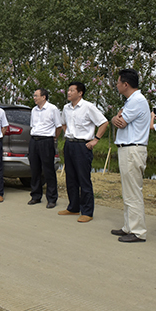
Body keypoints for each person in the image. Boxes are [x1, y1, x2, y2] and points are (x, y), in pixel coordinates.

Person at [59, 82, 108, 222]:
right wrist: (68, 133)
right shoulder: (66, 108)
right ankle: (73, 207)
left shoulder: (88, 107)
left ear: (80, 93)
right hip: (69, 144)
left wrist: (96, 139)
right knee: (70, 177)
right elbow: (63, 123)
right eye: (68, 90)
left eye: (72, 90)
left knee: (83, 178)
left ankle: (87, 212)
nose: (68, 93)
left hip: (82, 146)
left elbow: (104, 123)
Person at [110, 68, 150, 243]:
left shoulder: (137, 100)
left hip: (133, 149)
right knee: (128, 191)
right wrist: (115, 117)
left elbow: (121, 122)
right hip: (127, 148)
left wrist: (116, 118)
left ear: (125, 84)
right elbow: (117, 118)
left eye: (118, 82)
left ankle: (138, 231)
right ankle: (128, 226)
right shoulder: (131, 101)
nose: (117, 85)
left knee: (133, 191)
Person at [27, 88, 62, 208]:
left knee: (48, 170)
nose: (34, 98)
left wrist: (53, 138)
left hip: (46, 140)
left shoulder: (52, 109)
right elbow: (33, 126)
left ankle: (52, 198)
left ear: (43, 97)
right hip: (34, 140)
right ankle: (36, 196)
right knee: (34, 169)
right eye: (34, 95)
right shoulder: (34, 110)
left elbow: (58, 126)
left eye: (36, 95)